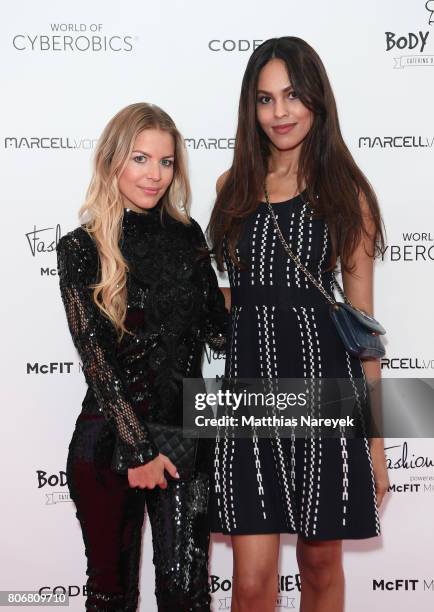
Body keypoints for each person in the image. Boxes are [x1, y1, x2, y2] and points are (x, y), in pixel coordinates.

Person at [207, 37, 390, 612]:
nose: (280, 113)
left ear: (317, 99)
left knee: (318, 566)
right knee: (253, 582)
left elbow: (364, 330)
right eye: (265, 99)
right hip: (251, 395)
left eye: (292, 96)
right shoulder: (231, 187)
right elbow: (241, 297)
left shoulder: (346, 194)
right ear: (251, 107)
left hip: (324, 392)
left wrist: (377, 447)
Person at [56, 102, 228, 611]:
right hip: (110, 441)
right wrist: (137, 451)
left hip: (183, 435)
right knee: (112, 597)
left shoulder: (187, 235)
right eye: (140, 158)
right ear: (112, 161)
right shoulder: (81, 248)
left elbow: (218, 330)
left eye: (166, 162)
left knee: (188, 596)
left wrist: (281, 298)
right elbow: (95, 357)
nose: (155, 175)